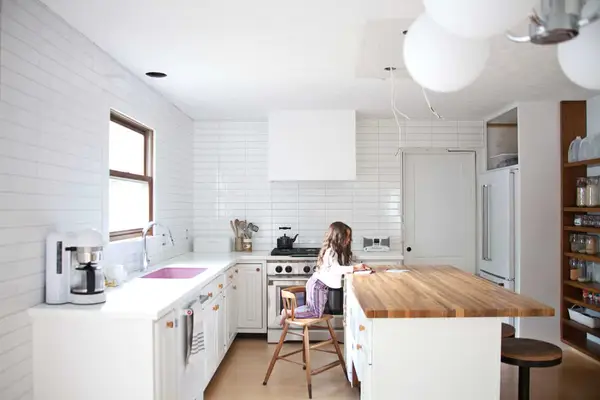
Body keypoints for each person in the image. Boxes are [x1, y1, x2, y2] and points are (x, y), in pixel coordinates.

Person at [280, 222, 369, 324]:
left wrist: (358, 267)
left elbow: (345, 264)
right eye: (346, 237)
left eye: (349, 237)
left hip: (318, 285)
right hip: (317, 286)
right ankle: (287, 312)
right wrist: (355, 268)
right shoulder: (331, 252)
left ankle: (291, 312)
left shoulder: (336, 251)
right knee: (316, 313)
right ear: (338, 237)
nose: (349, 240)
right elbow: (335, 269)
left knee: (313, 310)